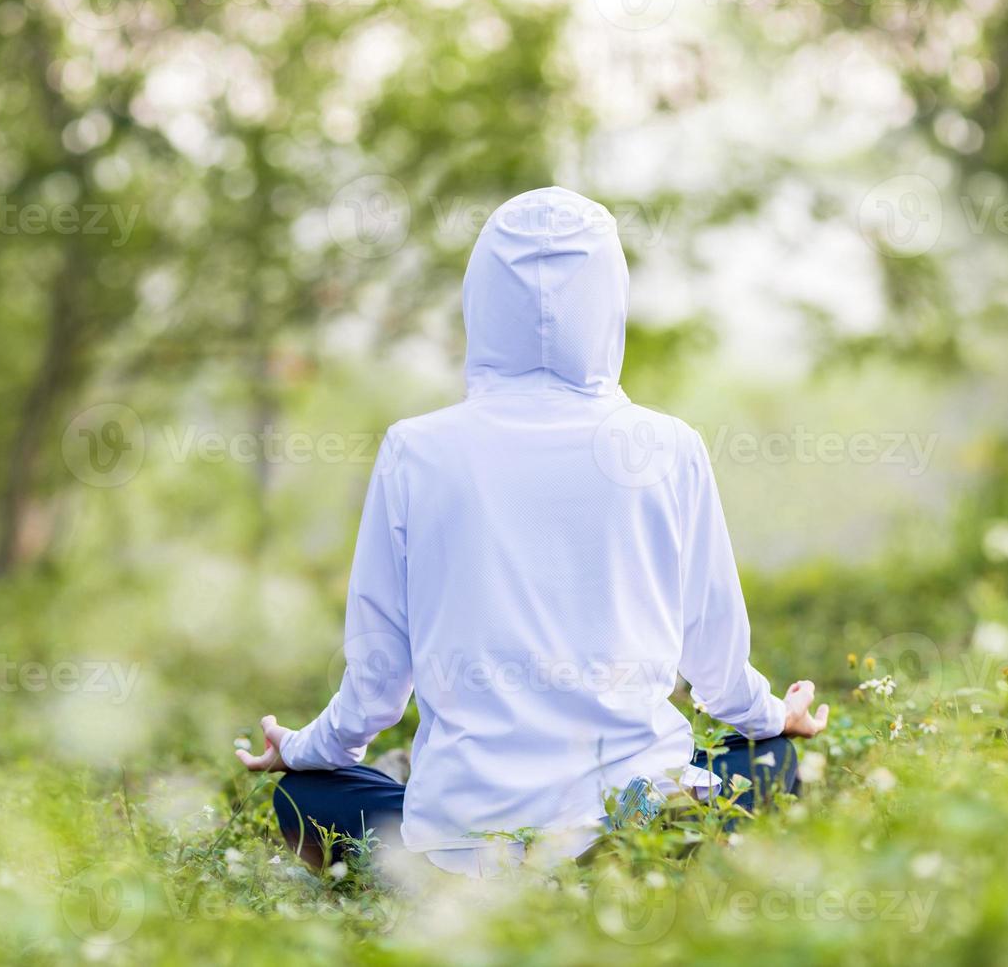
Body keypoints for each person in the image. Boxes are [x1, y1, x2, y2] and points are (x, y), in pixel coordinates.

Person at [236, 187, 829, 877]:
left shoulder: (416, 449)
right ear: (611, 299)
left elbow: (376, 678)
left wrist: (303, 748)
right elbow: (718, 667)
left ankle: (442, 877)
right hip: (641, 821)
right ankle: (627, 864)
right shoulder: (668, 447)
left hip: (457, 841)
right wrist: (771, 719)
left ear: (480, 298)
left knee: (304, 795)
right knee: (777, 761)